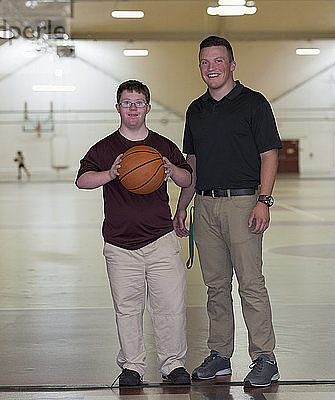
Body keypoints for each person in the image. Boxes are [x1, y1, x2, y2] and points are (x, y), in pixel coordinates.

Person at [173, 36, 282, 387]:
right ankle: (220, 355)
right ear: (199, 67)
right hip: (205, 205)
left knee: (251, 285)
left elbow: (269, 155)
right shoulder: (196, 110)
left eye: (218, 61)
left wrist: (263, 201)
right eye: (205, 62)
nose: (211, 68)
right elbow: (193, 163)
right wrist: (182, 207)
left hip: (243, 203)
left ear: (232, 65)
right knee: (215, 287)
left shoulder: (254, 104)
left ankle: (265, 357)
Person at [76, 80, 193, 386]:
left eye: (138, 103)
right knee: (127, 309)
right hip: (119, 244)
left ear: (148, 108)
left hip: (161, 240)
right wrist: (111, 174)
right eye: (126, 103)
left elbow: (187, 178)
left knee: (170, 305)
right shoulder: (104, 148)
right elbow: (82, 180)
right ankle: (133, 366)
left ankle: (172, 365)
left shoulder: (163, 146)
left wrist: (170, 169)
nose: (132, 108)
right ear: (118, 108)